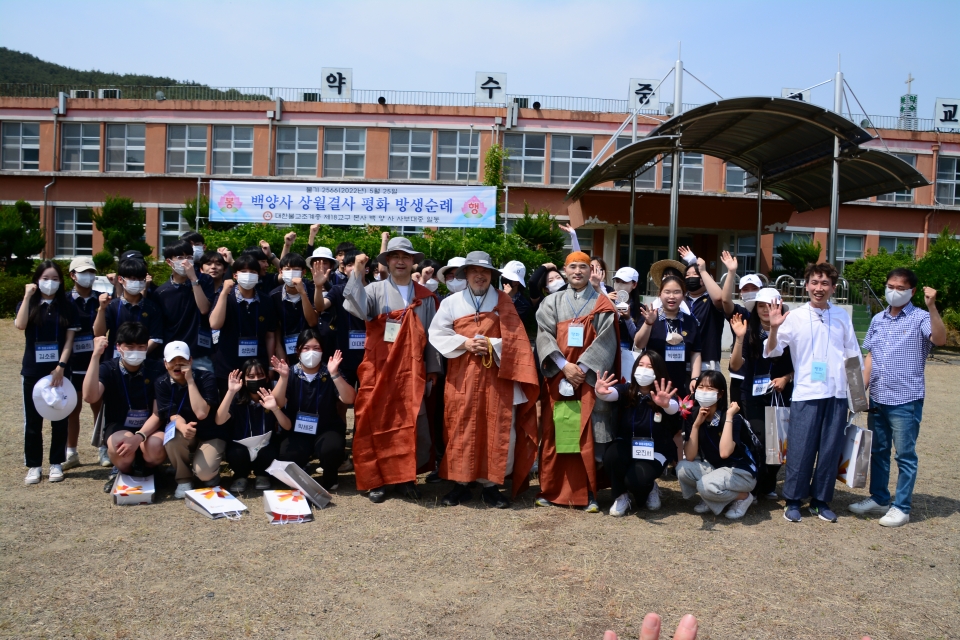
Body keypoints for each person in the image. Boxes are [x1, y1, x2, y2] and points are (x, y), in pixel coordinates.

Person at [428, 251, 540, 508]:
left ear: (491, 275)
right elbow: (437, 332)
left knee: (498, 426)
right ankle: (461, 483)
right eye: (474, 271)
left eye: (485, 271)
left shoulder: (504, 302)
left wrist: (491, 344)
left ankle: (491, 485)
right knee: (460, 425)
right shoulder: (451, 302)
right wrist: (465, 342)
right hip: (462, 374)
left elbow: (517, 340)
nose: (480, 276)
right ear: (465, 274)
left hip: (497, 375)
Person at [343, 237, 443, 503]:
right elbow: (358, 308)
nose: (400, 261)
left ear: (413, 262)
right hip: (379, 369)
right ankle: (376, 479)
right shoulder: (374, 290)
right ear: (387, 261)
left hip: (413, 371)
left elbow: (433, 335)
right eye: (395, 256)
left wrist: (432, 370)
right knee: (375, 422)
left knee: (410, 422)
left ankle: (406, 478)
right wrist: (357, 272)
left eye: (406, 257)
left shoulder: (426, 297)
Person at [764, 262, 861, 523]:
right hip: (806, 392)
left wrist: (857, 396)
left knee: (830, 449)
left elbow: (853, 357)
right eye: (814, 283)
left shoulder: (842, 316)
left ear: (833, 287)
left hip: (837, 393)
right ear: (806, 285)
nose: (819, 288)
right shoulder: (794, 316)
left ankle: (820, 500)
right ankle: (794, 499)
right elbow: (772, 351)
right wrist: (773, 327)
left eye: (825, 283)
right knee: (800, 448)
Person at [849, 268, 946, 527]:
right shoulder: (878, 319)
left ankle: (901, 506)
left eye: (900, 287)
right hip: (878, 398)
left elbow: (940, 338)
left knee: (904, 455)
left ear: (912, 291)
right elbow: (871, 356)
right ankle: (879, 497)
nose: (894, 291)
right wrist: (859, 393)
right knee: (878, 451)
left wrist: (933, 306)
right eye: (890, 285)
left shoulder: (921, 318)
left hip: (906, 399)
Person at [535, 251, 619, 511]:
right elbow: (544, 336)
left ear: (590, 270)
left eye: (583, 267)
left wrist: (581, 368)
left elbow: (606, 340)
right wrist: (564, 366)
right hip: (559, 378)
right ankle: (552, 490)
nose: (578, 271)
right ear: (564, 270)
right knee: (558, 432)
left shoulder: (602, 302)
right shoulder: (552, 302)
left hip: (589, 380)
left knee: (587, 434)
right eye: (573, 267)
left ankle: (588, 493)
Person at [15, 261, 80, 484]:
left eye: (54, 279)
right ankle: (34, 465)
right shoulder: (30, 304)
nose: (49, 283)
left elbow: (69, 341)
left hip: (59, 371)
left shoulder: (68, 306)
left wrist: (61, 366)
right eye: (45, 278)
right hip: (33, 370)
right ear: (36, 280)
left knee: (59, 416)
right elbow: (20, 325)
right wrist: (26, 297)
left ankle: (56, 463)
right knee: (33, 421)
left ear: (61, 282)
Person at [595, 352, 681, 516]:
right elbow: (610, 393)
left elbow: (674, 407)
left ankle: (650, 488)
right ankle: (620, 496)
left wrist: (665, 404)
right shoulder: (627, 390)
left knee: (636, 482)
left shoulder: (665, 394)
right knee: (611, 457)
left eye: (650, 367)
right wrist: (599, 391)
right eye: (641, 365)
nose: (644, 370)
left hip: (656, 450)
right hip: (628, 444)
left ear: (658, 371)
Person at [728, 288, 793, 499]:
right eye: (761, 305)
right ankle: (753, 485)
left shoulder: (790, 330)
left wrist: (786, 378)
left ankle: (768, 485)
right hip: (752, 393)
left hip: (780, 394)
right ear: (755, 308)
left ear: (780, 306)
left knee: (779, 442)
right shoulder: (748, 331)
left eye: (771, 305)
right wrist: (739, 339)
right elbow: (736, 365)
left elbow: (800, 364)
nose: (766, 310)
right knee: (759, 439)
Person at [271, 331, 356, 490]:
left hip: (326, 428)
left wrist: (335, 374)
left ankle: (330, 476)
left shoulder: (330, 371)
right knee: (287, 454)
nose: (311, 352)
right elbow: (277, 403)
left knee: (332, 449)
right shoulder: (290, 372)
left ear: (323, 351)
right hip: (298, 429)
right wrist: (283, 378)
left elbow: (349, 399)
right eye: (306, 348)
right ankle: (301, 472)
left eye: (316, 348)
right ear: (298, 351)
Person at [82, 324, 166, 476]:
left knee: (156, 446)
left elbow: (158, 413)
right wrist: (95, 356)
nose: (136, 351)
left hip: (150, 427)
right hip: (119, 425)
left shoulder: (157, 369)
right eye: (130, 346)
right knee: (119, 446)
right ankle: (124, 471)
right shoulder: (108, 368)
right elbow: (90, 397)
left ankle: (148, 470)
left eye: (141, 346)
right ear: (119, 347)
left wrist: (138, 437)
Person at [676, 371, 757, 519]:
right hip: (716, 468)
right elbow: (690, 456)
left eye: (710, 388)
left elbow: (725, 452)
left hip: (740, 472)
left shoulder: (732, 417)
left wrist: (730, 417)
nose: (704, 392)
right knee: (682, 469)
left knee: (704, 486)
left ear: (720, 394)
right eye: (701, 387)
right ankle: (712, 496)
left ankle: (743, 497)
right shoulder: (694, 415)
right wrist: (696, 425)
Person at [157, 341, 223, 498]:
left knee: (204, 474)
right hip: (186, 433)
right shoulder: (161, 383)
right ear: (165, 363)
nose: (177, 365)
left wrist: (190, 381)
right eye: (173, 361)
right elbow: (171, 413)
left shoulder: (206, 377)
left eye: (182, 360)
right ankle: (183, 479)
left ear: (191, 360)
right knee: (171, 437)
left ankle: (209, 472)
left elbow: (201, 413)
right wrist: (182, 426)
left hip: (211, 434)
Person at [209, 254, 277, 398]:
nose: (248, 275)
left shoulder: (266, 300)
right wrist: (223, 294)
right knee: (230, 409)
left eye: (253, 272)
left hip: (257, 369)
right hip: (228, 366)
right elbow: (215, 324)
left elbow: (270, 335)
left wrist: (270, 366)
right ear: (235, 275)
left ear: (258, 276)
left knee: (257, 406)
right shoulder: (226, 297)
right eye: (243, 272)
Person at [216, 360, 284, 493]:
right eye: (251, 377)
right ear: (244, 379)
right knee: (235, 453)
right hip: (241, 446)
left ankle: (262, 475)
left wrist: (275, 408)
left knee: (271, 451)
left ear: (267, 377)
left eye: (260, 375)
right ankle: (241, 476)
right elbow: (219, 420)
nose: (256, 379)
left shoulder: (271, 397)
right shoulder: (236, 398)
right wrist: (230, 391)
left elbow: (286, 425)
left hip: (265, 446)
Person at [153, 240, 216, 371]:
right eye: (180, 257)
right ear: (169, 262)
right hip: (172, 355)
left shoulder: (205, 281)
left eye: (189, 257)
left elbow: (204, 309)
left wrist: (194, 280)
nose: (186, 261)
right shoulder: (161, 292)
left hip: (199, 353)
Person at [66, 256, 104, 468]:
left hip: (96, 361)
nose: (87, 276)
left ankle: (103, 449)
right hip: (72, 362)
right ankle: (71, 451)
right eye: (83, 272)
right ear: (73, 275)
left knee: (99, 407)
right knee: (73, 408)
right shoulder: (64, 301)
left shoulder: (102, 299)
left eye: (91, 272)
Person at [633, 275, 702, 395]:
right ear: (660, 294)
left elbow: (695, 352)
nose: (672, 296)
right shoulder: (650, 317)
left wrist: (695, 378)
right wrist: (648, 323)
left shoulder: (690, 322)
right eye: (667, 292)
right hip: (651, 382)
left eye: (677, 292)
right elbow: (639, 344)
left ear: (683, 295)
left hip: (679, 383)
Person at [93, 258, 164, 359]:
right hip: (115, 360)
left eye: (141, 279)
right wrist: (101, 309)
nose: (137, 282)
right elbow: (99, 333)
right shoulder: (112, 306)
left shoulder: (152, 308)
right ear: (120, 279)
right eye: (133, 279)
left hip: (144, 361)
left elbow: (156, 338)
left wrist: (137, 355)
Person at [677, 247, 729, 374]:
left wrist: (702, 269)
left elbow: (719, 298)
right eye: (687, 275)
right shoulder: (681, 301)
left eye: (695, 275)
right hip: (681, 362)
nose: (691, 278)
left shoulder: (711, 300)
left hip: (707, 364)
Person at [270, 252, 318, 364]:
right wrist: (279, 348)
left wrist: (302, 293)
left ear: (303, 272)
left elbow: (312, 322)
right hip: (286, 348)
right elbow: (275, 326)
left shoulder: (312, 291)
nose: (291, 272)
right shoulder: (274, 296)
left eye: (296, 269)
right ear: (280, 271)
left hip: (310, 348)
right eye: (287, 269)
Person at [499, 260, 533, 325]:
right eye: (503, 277)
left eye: (508, 278)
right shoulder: (495, 295)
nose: (504, 280)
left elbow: (509, 322)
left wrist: (505, 299)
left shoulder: (523, 305)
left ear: (517, 282)